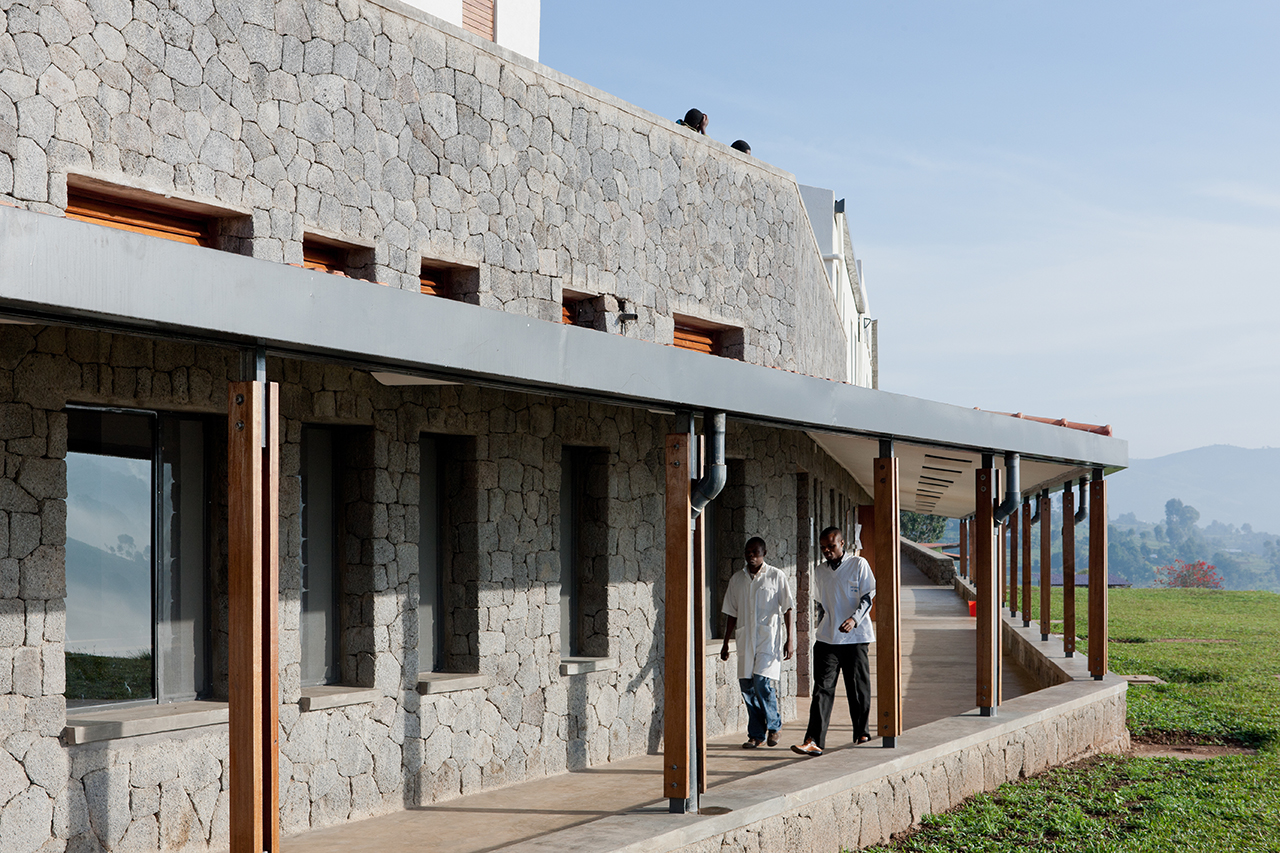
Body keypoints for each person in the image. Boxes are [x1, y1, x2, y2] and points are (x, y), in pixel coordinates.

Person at [791, 526, 876, 756]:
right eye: (823, 548)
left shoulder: (858, 564)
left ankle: (862, 732)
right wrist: (824, 625)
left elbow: (868, 597)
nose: (827, 551)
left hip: (856, 638)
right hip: (828, 639)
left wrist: (854, 619)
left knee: (857, 688)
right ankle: (813, 740)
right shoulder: (820, 571)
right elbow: (821, 604)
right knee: (822, 689)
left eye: (831, 546)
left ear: (842, 543)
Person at [720, 537, 794, 748]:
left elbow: (788, 608)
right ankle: (756, 735)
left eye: (755, 552)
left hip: (767, 641)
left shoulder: (776, 576)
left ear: (764, 553)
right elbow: (731, 613)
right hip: (745, 641)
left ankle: (774, 726)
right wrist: (725, 642)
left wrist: (790, 639)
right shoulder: (737, 579)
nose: (751, 555)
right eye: (748, 552)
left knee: (762, 683)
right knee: (747, 688)